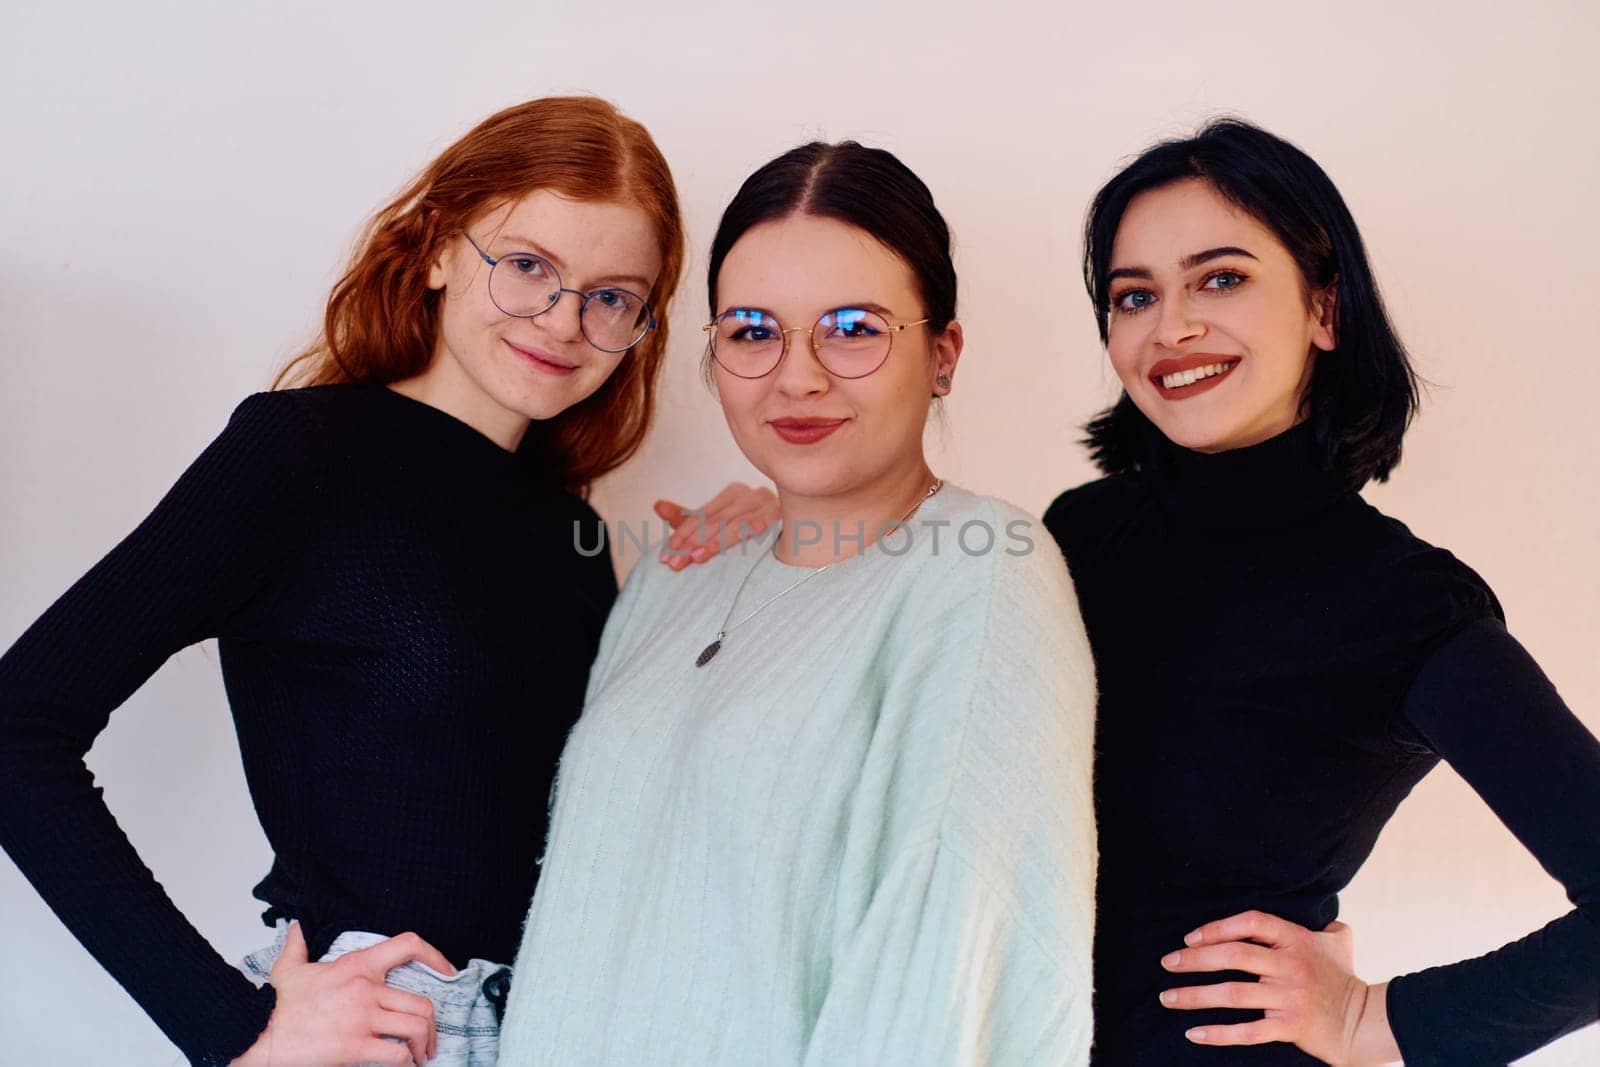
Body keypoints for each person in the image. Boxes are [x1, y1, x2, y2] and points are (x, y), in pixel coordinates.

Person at [0, 96, 771, 1067]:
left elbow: (605, 814)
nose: (563, 320)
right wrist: (229, 1027)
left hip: (562, 1017)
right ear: (441, 246)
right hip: (383, 1030)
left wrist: (735, 577)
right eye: (529, 265)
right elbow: (17, 726)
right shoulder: (298, 457)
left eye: (610, 295)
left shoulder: (570, 526)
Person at [496, 141, 1098, 1066]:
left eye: (854, 327)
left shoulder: (983, 576)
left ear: (942, 354)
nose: (798, 375)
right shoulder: (676, 574)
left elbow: (949, 988)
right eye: (751, 329)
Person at [1044, 118, 1600, 1065]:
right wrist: (780, 523)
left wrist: (1371, 1020)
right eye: (1135, 295)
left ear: (1325, 310)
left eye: (1220, 278)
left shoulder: (1405, 603)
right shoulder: (1079, 532)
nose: (1172, 326)